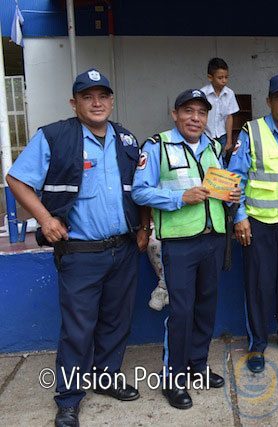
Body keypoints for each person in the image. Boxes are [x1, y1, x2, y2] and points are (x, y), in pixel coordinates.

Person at [6, 69, 147, 427]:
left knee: (116, 321)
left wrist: (143, 228)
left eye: (103, 96)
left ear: (112, 100)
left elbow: (140, 188)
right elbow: (16, 179)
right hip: (81, 253)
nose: (97, 103)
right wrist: (45, 219)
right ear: (74, 103)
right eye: (87, 97)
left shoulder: (127, 139)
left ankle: (106, 378)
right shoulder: (55, 136)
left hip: (123, 249)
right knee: (78, 329)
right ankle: (69, 398)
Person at [132, 89, 239, 409]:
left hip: (213, 238)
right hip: (179, 243)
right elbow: (140, 192)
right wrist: (180, 198)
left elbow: (220, 188)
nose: (195, 118)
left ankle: (197, 365)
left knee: (206, 307)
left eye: (201, 113)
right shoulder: (157, 146)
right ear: (175, 114)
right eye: (188, 111)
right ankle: (173, 378)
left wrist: (232, 197)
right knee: (181, 311)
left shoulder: (214, 146)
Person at [228, 72, 278, 373]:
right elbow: (234, 178)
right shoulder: (252, 131)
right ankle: (257, 344)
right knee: (259, 286)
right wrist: (240, 217)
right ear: (269, 101)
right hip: (259, 223)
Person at [200, 57, 240, 156]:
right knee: (206, 158)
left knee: (222, 160)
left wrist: (229, 141)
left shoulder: (230, 94)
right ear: (210, 77)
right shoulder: (203, 94)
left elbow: (229, 117)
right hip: (205, 135)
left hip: (222, 136)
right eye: (220, 78)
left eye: (226, 77)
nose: (224, 81)